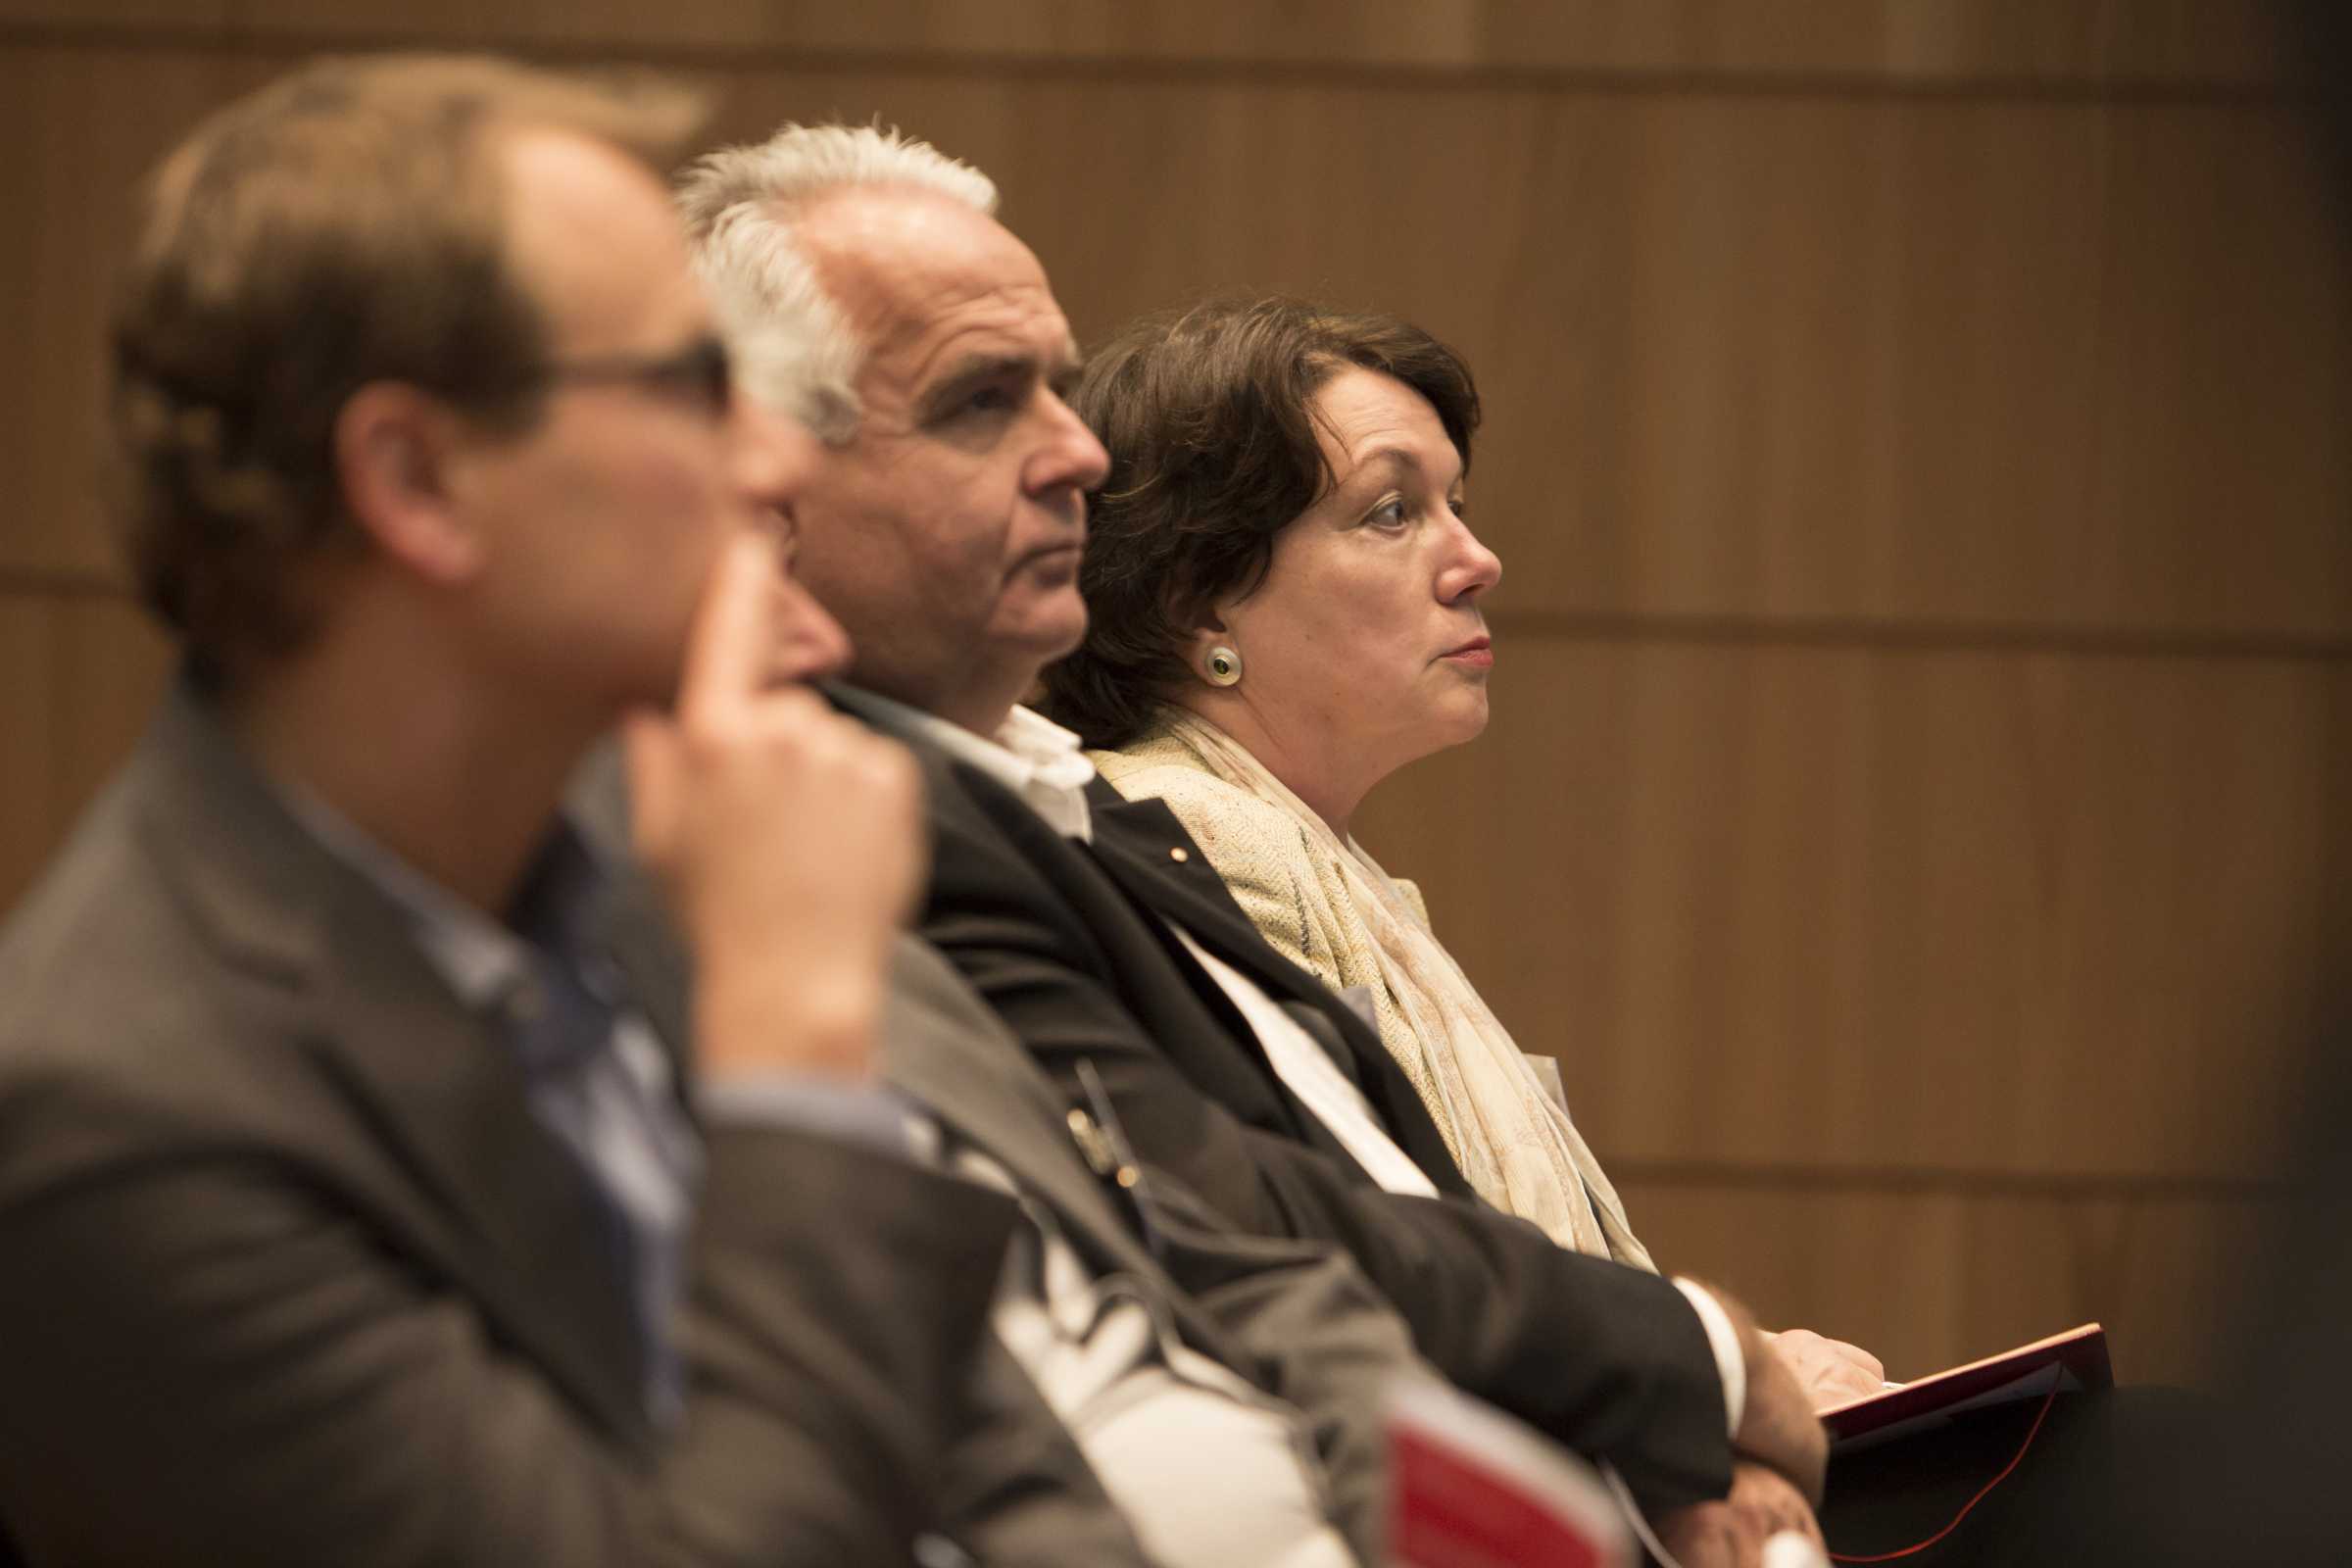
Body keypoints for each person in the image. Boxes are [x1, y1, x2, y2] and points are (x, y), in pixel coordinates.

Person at [680, 120, 1833, 1566]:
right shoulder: (888, 826)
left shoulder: (1078, 814)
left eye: (1056, 388)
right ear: (753, 491)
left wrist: (1649, 1448)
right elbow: (1236, 1242)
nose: (1075, 452)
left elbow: (1299, 1252)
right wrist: (1693, 1381)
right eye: (982, 401)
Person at [0, 56, 1018, 1565]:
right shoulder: (126, 1127)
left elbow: (1004, 1463)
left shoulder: (625, 851)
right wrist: (796, 1050)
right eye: (694, 383)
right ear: (418, 480)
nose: (776, 456)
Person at [1041, 295, 1881, 1410]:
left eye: (1457, 507)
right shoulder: (1195, 840)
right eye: (1391, 512)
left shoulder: (1325, 867)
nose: (1477, 561)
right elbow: (1375, 1290)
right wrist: (1720, 1384)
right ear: (1202, 602)